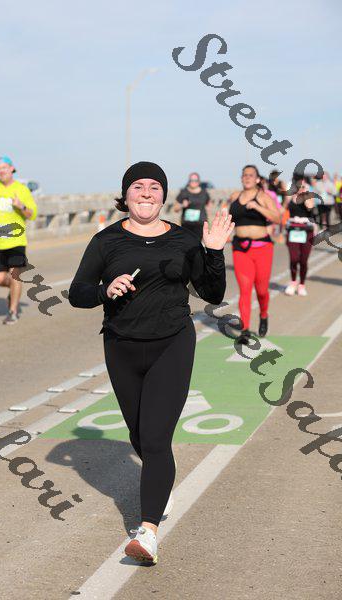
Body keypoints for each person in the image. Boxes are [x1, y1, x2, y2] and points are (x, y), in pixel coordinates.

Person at [68, 161, 233, 565]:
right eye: (138, 186)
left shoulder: (183, 240)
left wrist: (213, 252)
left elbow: (212, 294)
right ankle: (161, 483)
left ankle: (147, 533)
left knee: (156, 440)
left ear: (163, 196)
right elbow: (77, 292)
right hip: (121, 346)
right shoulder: (106, 241)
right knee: (139, 435)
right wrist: (105, 289)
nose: (146, 193)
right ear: (125, 195)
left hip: (172, 344)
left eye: (154, 187)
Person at [0, 156, 38, 324]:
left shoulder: (22, 189)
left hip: (16, 241)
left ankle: (13, 312)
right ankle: (13, 290)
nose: (1, 171)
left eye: (4, 167)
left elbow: (32, 214)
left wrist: (21, 206)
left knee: (15, 276)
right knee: (0, 279)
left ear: (12, 168)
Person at [228, 165, 281, 345]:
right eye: (244, 175)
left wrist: (258, 207)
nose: (247, 178)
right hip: (240, 248)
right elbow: (227, 216)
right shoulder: (234, 196)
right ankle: (244, 330)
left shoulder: (263, 197)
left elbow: (277, 218)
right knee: (245, 289)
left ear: (257, 179)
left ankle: (264, 315)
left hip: (262, 248)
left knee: (262, 290)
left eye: (251, 175)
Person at [284, 179, 316, 296]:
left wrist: (305, 194)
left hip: (306, 232)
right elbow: (283, 209)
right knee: (293, 258)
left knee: (303, 260)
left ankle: (301, 284)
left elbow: (309, 207)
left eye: (302, 186)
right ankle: (293, 282)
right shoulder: (290, 197)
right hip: (293, 231)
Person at [173, 172, 211, 240]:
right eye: (191, 180)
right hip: (187, 225)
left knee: (197, 243)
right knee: (187, 243)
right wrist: (182, 205)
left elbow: (208, 205)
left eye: (195, 180)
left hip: (200, 224)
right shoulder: (184, 192)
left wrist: (208, 222)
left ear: (199, 181)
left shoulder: (204, 192)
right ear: (189, 181)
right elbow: (175, 208)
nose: (193, 182)